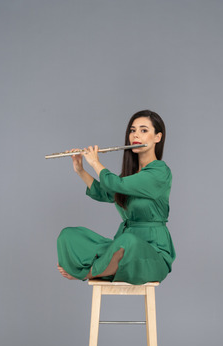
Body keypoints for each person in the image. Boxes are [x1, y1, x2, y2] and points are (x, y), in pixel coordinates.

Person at [57, 109, 176, 285]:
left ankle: (89, 272)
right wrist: (80, 170)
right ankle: (108, 269)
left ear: (157, 137)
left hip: (153, 254)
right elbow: (106, 192)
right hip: (123, 244)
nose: (136, 135)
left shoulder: (160, 172)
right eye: (132, 130)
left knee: (127, 242)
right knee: (68, 235)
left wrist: (96, 163)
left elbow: (115, 184)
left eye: (144, 130)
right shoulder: (130, 175)